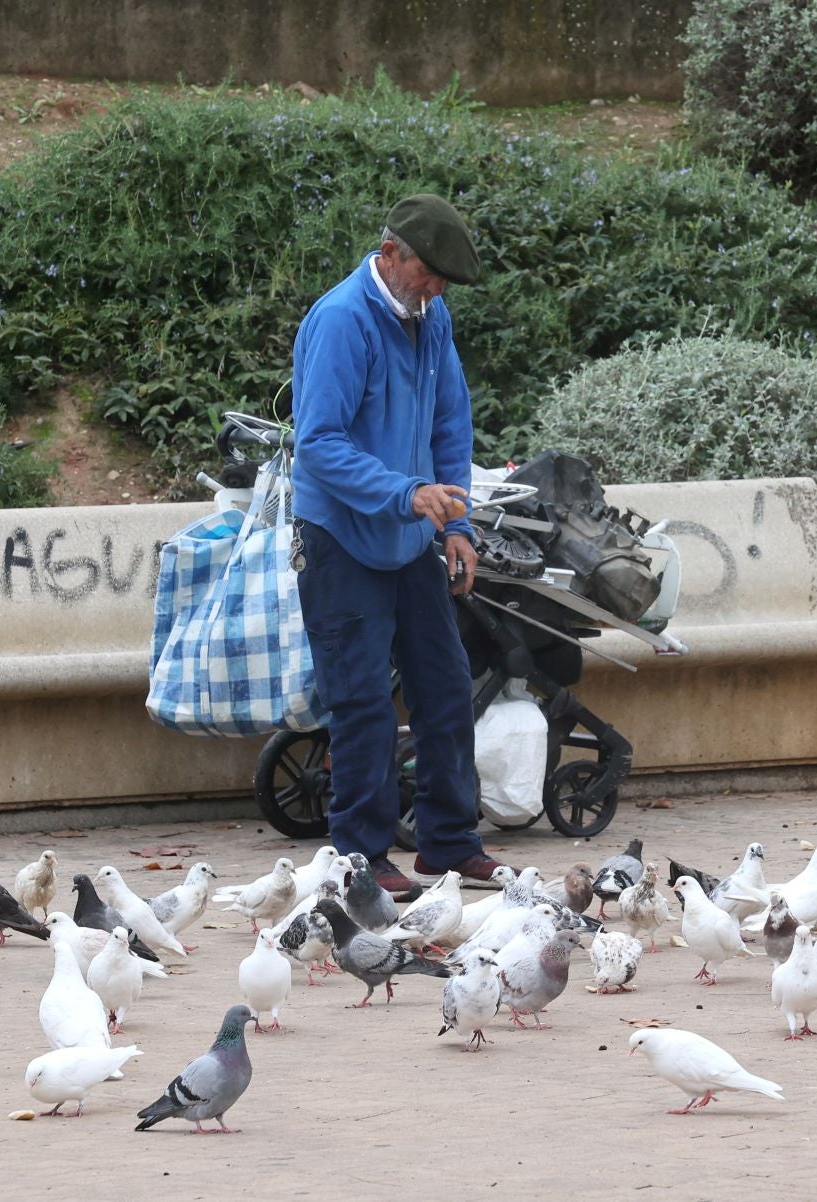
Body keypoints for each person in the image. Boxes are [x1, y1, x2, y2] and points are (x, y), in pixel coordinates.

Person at [289, 194, 506, 895]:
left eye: (445, 278)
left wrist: (457, 524)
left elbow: (451, 423)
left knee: (444, 690)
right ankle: (360, 857)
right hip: (342, 539)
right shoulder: (342, 320)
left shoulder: (430, 317)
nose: (438, 287)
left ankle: (448, 843)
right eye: (430, 272)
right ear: (390, 255)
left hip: (412, 537)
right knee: (361, 704)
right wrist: (404, 493)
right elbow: (318, 444)